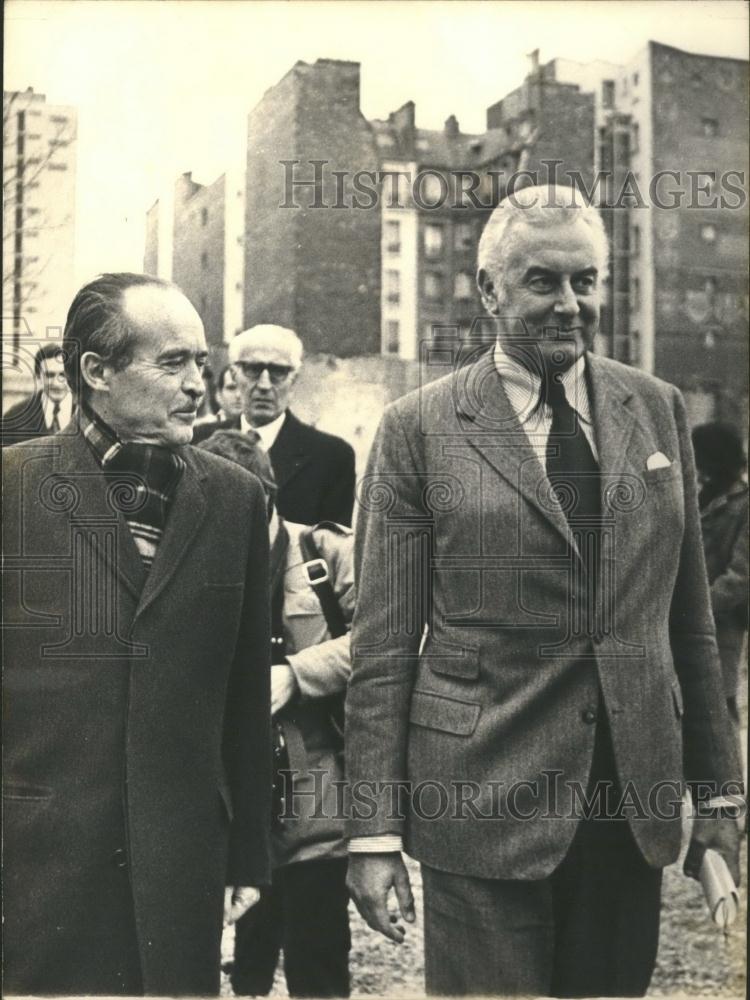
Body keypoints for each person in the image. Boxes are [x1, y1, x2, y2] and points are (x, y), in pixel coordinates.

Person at [345, 185, 743, 998]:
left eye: (585, 282)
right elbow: (382, 646)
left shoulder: (657, 409)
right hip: (479, 798)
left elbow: (689, 624)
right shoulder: (419, 429)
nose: (570, 304)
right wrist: (373, 832)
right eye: (542, 282)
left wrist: (718, 793)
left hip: (628, 801)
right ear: (489, 290)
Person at [3, 273, 272, 995]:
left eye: (202, 364)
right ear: (97, 371)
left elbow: (246, 694)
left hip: (180, 873)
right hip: (34, 873)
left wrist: (248, 852)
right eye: (173, 363)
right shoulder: (11, 488)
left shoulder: (238, 499)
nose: (198, 386)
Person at [198, 430, 353, 998]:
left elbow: (388, 640)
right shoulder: (193, 558)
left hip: (316, 792)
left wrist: (297, 674)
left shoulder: (322, 553)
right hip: (233, 793)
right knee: (247, 955)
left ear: (268, 497)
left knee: (318, 953)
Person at [194, 325, 356, 526]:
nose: (264, 385)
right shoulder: (197, 443)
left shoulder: (332, 457)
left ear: (293, 379)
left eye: (278, 372)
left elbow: (329, 542)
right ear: (234, 375)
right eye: (253, 370)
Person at [692, 422, 749, 730]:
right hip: (693, 624)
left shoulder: (744, 505)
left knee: (721, 708)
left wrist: (697, 609)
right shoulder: (705, 496)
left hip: (723, 624)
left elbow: (740, 578)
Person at [2, 341, 74, 443]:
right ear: (38, 377)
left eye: (63, 375)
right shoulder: (15, 417)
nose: (57, 383)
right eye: (49, 375)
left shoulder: (87, 411)